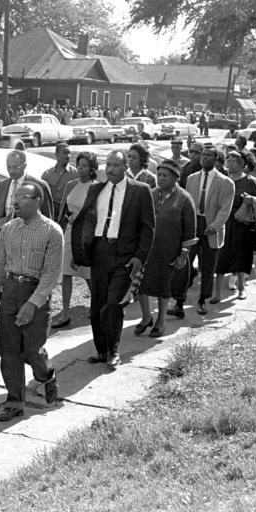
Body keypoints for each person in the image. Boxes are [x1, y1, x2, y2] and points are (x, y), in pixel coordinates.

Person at [0, 180, 62, 420]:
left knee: (31, 351)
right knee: (9, 352)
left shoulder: (52, 231)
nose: (15, 201)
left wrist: (32, 304)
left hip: (35, 294)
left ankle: (46, 374)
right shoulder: (8, 229)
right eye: (15, 197)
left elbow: (50, 275)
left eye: (22, 197)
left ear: (37, 201)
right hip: (10, 292)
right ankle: (14, 402)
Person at [70, 150, 155, 369]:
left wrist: (140, 257)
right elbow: (86, 222)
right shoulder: (97, 189)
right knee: (97, 305)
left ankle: (114, 351)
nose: (110, 169)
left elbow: (148, 229)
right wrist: (80, 252)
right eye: (107, 164)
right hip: (100, 252)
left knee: (113, 304)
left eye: (116, 165)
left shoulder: (140, 191)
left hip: (125, 256)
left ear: (126, 166)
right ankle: (101, 350)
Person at [138, 159, 196, 336]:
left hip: (169, 251)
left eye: (165, 176)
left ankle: (160, 321)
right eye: (159, 175)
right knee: (141, 284)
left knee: (163, 287)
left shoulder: (184, 199)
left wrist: (183, 255)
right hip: (147, 250)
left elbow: (190, 231)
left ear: (176, 178)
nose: (160, 178)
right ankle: (146, 317)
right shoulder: (150, 194)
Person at [184, 146, 235, 313]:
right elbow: (188, 203)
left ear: (216, 159)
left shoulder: (226, 182)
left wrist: (214, 226)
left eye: (208, 155)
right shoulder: (191, 178)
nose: (204, 158)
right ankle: (179, 300)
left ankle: (202, 299)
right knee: (184, 262)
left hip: (211, 227)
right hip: (194, 225)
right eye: (202, 155)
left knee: (208, 266)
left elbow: (225, 209)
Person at [53, 151, 97, 328]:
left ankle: (96, 306)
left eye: (85, 166)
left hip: (87, 234)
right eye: (79, 165)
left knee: (87, 273)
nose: (81, 169)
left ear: (92, 168)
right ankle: (65, 313)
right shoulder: (71, 184)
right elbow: (64, 209)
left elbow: (97, 213)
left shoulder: (97, 187)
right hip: (70, 232)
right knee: (66, 273)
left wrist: (79, 216)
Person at [213, 151, 256, 299]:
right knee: (221, 257)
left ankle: (241, 288)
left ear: (243, 163)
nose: (230, 162)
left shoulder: (251, 182)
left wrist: (251, 201)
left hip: (242, 224)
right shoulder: (222, 180)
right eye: (229, 159)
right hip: (224, 223)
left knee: (241, 256)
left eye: (235, 160)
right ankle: (217, 294)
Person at [0, 150, 53, 228]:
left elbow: (47, 217)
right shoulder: (3, 185)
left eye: (16, 167)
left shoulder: (39, 185)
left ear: (24, 166)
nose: (11, 171)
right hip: (6, 234)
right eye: (9, 167)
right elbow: (1, 214)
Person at [41, 142, 77, 212]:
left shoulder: (75, 174)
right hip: (51, 209)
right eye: (65, 153)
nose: (68, 156)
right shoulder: (47, 174)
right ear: (56, 155)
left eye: (69, 153)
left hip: (67, 210)